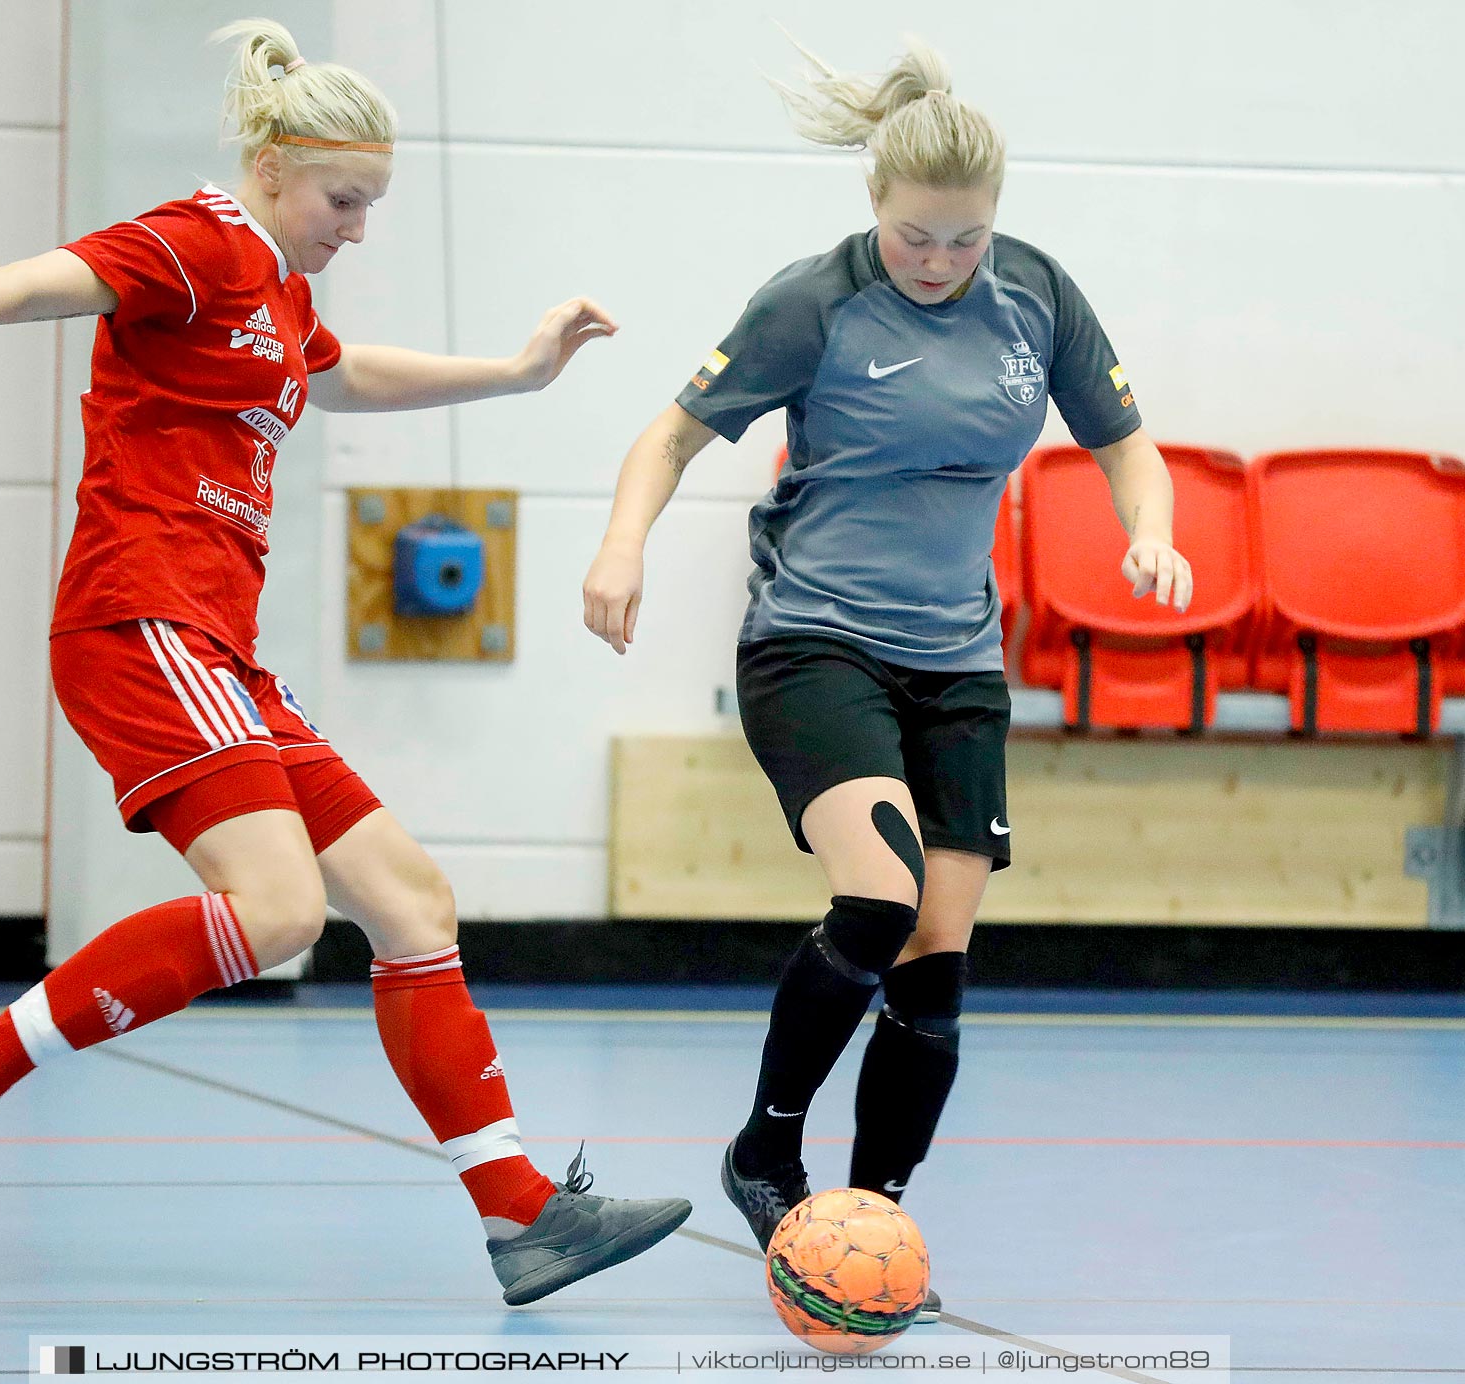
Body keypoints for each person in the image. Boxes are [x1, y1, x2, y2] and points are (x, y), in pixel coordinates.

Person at [0, 19, 689, 1305]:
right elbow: (24, 282)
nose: (357, 226)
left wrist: (515, 375)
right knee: (283, 911)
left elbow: (340, 376)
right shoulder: (192, 242)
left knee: (410, 903)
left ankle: (524, 1215)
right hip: (140, 622)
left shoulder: (280, 286)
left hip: (219, 648)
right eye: (342, 199)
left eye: (371, 205)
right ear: (269, 163)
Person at [581, 36, 1193, 1315]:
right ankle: (766, 1143)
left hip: (956, 658)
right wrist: (622, 541)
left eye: (966, 238)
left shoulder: (1034, 294)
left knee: (938, 953)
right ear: (876, 207)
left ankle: (870, 1225)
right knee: (878, 892)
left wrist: (1152, 529)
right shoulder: (816, 299)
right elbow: (670, 432)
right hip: (815, 642)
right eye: (919, 235)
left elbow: (1128, 442)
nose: (942, 260)